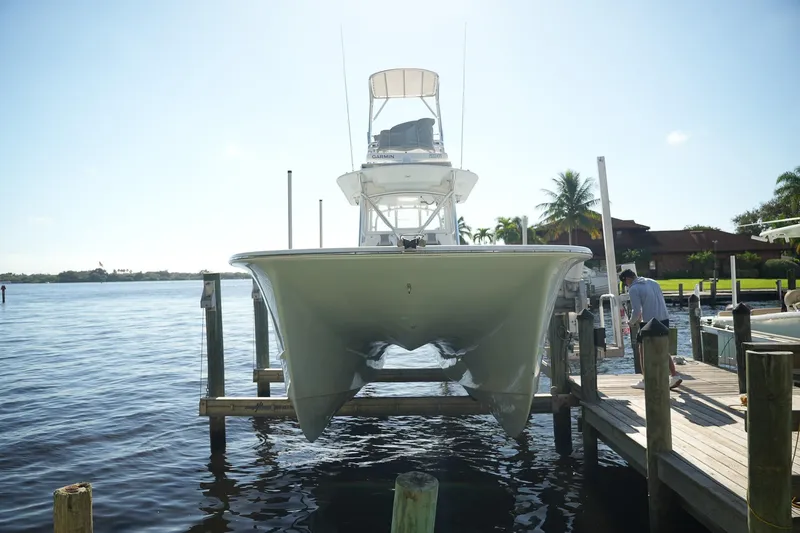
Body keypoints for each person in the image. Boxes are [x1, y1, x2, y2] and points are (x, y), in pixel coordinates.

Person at [619, 269, 682, 390]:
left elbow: (636, 311)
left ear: (627, 279)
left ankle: (646, 380)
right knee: (662, 348)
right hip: (664, 318)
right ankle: (674, 375)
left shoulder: (634, 289)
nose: (626, 286)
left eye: (625, 283)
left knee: (642, 349)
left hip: (649, 322)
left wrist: (631, 322)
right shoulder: (653, 282)